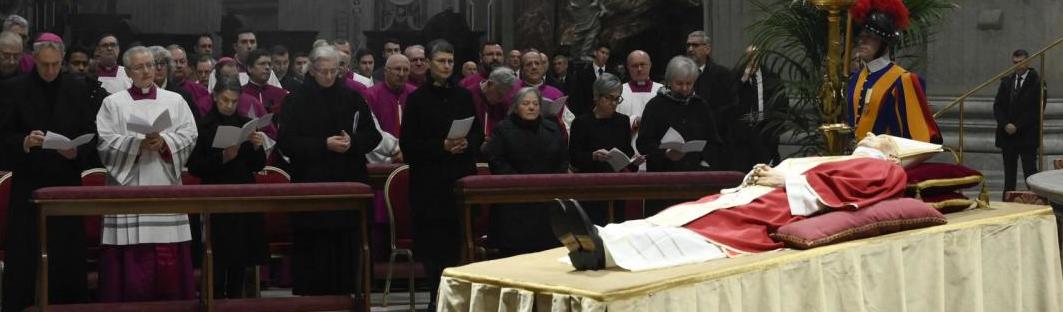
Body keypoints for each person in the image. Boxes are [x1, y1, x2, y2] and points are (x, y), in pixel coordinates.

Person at [552, 134, 908, 271]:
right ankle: (601, 234)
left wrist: (783, 179)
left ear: (891, 153)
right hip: (761, 193)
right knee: (678, 215)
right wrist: (766, 174)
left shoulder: (886, 169)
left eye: (878, 136)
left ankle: (606, 250)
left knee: (704, 231)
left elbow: (845, 191)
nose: (869, 134)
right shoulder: (844, 159)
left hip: (780, 204)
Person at [95, 46, 199, 301]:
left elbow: (189, 134)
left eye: (151, 65)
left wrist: (165, 143)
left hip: (165, 184)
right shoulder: (112, 103)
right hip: (127, 188)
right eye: (140, 67)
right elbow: (105, 142)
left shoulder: (175, 100)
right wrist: (136, 144)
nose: (147, 71)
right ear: (128, 71)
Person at [0, 33, 94, 312]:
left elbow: (91, 135)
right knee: (26, 256)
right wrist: (25, 142)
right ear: (35, 61)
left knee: (66, 256)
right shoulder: (14, 88)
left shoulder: (77, 89)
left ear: (62, 61)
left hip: (66, 185)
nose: (51, 71)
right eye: (45, 65)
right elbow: (3, 136)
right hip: (29, 186)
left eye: (55, 65)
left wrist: (76, 151)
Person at [277, 45, 382, 296]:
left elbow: (372, 136)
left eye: (333, 71)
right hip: (311, 187)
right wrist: (323, 144)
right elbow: (287, 143)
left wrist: (352, 143)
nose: (328, 77)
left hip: (347, 184)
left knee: (346, 249)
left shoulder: (352, 98)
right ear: (311, 70)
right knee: (314, 250)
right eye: (323, 71)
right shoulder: (295, 100)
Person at [399, 39, 483, 309]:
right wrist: (441, 146)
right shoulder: (416, 100)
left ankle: (460, 301)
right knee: (433, 249)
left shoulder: (463, 96)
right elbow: (408, 146)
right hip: (429, 186)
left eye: (450, 61)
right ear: (429, 63)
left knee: (458, 243)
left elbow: (478, 134)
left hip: (459, 181)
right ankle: (436, 299)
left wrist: (467, 143)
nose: (446, 66)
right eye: (441, 61)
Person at [187, 77, 269, 298]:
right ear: (214, 97)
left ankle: (235, 300)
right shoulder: (203, 126)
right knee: (217, 256)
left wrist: (256, 146)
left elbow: (258, 165)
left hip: (242, 196)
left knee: (240, 256)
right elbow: (194, 166)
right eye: (225, 100)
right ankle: (214, 300)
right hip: (215, 197)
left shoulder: (244, 123)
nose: (229, 105)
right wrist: (222, 157)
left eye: (234, 101)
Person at [486, 87, 569, 256]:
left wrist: (552, 181)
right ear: (516, 107)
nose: (531, 107)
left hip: (547, 202)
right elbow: (496, 161)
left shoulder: (552, 129)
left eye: (535, 104)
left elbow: (562, 160)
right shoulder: (503, 129)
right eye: (526, 103)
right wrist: (520, 183)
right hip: (515, 203)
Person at [845, 0, 940, 143]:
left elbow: (920, 139)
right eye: (861, 37)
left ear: (884, 42)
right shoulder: (854, 78)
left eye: (871, 37)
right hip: (855, 158)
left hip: (885, 160)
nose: (863, 41)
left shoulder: (903, 81)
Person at [636, 56, 723, 173]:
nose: (684, 88)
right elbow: (643, 143)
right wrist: (665, 153)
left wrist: (705, 161)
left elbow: (713, 142)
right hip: (662, 174)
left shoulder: (700, 106)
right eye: (679, 83)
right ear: (669, 81)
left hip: (696, 173)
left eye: (689, 83)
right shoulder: (655, 106)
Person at [727, 45, 787, 171]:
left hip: (765, 133)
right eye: (749, 56)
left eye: (755, 55)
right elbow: (729, 100)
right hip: (742, 136)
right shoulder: (735, 76)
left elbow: (781, 105)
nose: (752, 59)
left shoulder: (772, 77)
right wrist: (744, 79)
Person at [570, 73, 643, 174]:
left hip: (617, 181)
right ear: (597, 97)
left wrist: (634, 162)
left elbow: (628, 157)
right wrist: (593, 156)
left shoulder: (623, 121)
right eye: (609, 98)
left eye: (617, 99)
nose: (614, 103)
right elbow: (573, 159)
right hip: (590, 180)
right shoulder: (581, 123)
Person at [994, 49, 1044, 195]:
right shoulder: (1007, 81)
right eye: (1015, 62)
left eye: (1021, 62)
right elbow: (998, 106)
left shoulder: (1037, 82)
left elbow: (1036, 110)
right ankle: (1008, 201)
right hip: (1007, 135)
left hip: (1026, 135)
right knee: (1009, 174)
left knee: (1030, 172)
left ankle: (1034, 201)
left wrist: (1017, 125)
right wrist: (1005, 124)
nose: (1018, 65)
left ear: (1028, 62)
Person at [363, 54, 415, 164]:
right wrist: (396, 154)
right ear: (386, 71)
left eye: (405, 70)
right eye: (397, 69)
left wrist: (409, 150)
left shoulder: (415, 94)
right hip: (383, 159)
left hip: (413, 156)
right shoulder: (370, 95)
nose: (401, 74)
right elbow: (370, 133)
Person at [617, 50, 663, 163]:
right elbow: (613, 124)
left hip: (657, 154)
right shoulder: (619, 92)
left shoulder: (662, 91)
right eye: (634, 66)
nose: (639, 69)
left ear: (650, 65)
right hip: (628, 155)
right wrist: (634, 121)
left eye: (643, 65)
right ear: (628, 67)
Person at [149, 46, 202, 121]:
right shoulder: (140, 93)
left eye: (162, 63)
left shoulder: (183, 95)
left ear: (169, 66)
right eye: (154, 63)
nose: (159, 67)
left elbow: (194, 124)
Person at [467, 66, 518, 140]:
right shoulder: (468, 95)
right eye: (499, 94)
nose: (501, 99)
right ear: (489, 84)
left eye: (505, 95)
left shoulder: (503, 103)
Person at [566, 43, 613, 116]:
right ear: (595, 52)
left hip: (607, 114)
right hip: (587, 114)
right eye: (602, 52)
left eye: (607, 54)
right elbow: (577, 96)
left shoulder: (612, 74)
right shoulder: (582, 73)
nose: (604, 56)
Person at [242, 48, 288, 118]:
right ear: (249, 68)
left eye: (269, 64)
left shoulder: (282, 94)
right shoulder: (240, 94)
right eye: (262, 64)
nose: (267, 67)